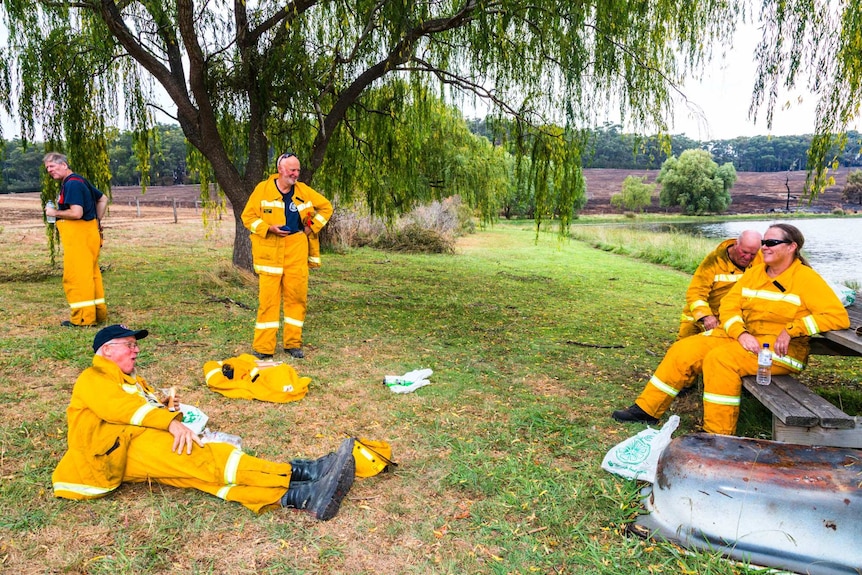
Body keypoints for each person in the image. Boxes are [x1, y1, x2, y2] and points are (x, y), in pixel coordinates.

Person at [51, 324, 355, 520]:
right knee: (204, 456)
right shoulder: (94, 377)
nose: (136, 349)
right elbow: (122, 410)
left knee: (198, 477)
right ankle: (300, 472)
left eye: (135, 344)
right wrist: (170, 423)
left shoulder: (127, 378)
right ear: (107, 350)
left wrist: (168, 407)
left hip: (120, 448)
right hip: (112, 453)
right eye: (129, 344)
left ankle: (300, 496)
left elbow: (141, 408)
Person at [612, 224, 850, 435]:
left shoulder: (806, 278)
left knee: (720, 360)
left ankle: (717, 435)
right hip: (744, 338)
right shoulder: (756, 273)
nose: (764, 248)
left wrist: (792, 329)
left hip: (780, 351)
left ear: (791, 247)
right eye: (764, 243)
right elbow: (729, 305)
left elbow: (837, 316)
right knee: (684, 348)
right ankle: (647, 409)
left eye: (771, 243)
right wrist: (740, 333)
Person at [241, 153, 333, 360]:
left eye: (298, 170)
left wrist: (311, 227)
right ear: (280, 169)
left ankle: (293, 344)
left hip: (296, 249)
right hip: (270, 252)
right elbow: (248, 217)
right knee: (268, 302)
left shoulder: (303, 191)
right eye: (292, 170)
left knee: (296, 298)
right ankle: (264, 347)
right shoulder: (262, 190)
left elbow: (326, 207)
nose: (296, 174)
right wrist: (268, 228)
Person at [43, 152, 109, 327]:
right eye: (47, 168)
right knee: (92, 274)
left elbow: (76, 213)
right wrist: (97, 221)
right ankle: (98, 314)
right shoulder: (80, 181)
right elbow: (103, 199)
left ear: (64, 165)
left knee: (77, 277)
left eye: (52, 166)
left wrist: (54, 213)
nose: (49, 170)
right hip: (90, 234)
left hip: (79, 237)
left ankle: (83, 318)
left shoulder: (71, 184)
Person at [676, 230, 763, 339]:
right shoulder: (714, 260)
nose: (747, 257)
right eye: (744, 252)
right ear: (736, 244)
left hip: (731, 319)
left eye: (752, 254)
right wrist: (706, 316)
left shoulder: (761, 259)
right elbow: (696, 293)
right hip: (700, 319)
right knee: (684, 349)